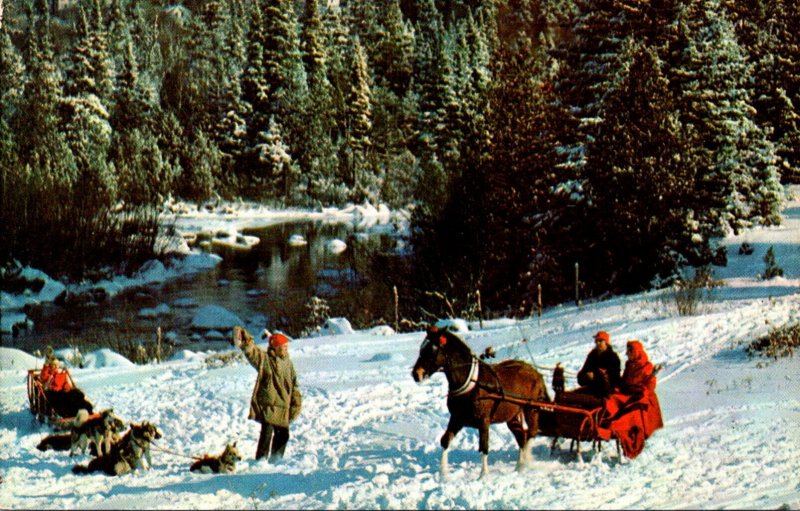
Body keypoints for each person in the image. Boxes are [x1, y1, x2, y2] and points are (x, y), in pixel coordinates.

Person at [232, 326, 302, 462]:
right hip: (268, 405)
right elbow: (252, 353)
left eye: (286, 347)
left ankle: (276, 460)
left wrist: (296, 402)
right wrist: (244, 341)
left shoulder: (289, 364)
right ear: (274, 348)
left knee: (283, 435)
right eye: (282, 347)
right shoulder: (265, 360)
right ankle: (261, 462)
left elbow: (294, 385)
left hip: (283, 407)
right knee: (266, 434)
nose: (285, 350)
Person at [576, 331, 621, 398]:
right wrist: (585, 377)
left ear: (606, 342)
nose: (597, 343)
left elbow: (614, 378)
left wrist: (595, 377)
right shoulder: (592, 356)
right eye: (596, 341)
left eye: (600, 341)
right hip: (591, 388)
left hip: (606, 392)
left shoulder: (613, 357)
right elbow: (583, 372)